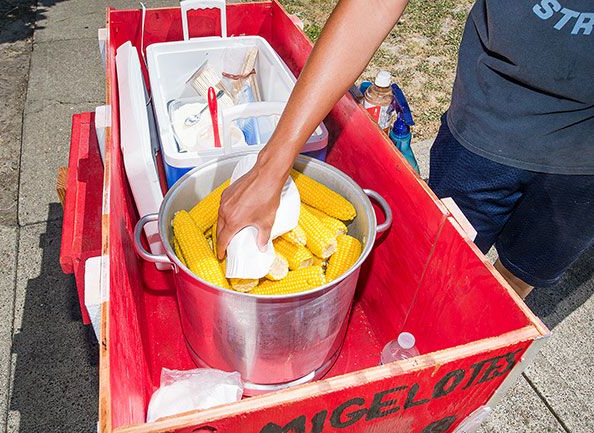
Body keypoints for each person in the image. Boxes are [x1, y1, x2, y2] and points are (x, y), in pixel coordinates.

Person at [216, 0, 594, 299]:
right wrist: (270, 165)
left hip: (585, 163)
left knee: (524, 270)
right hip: (483, 123)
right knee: (440, 262)